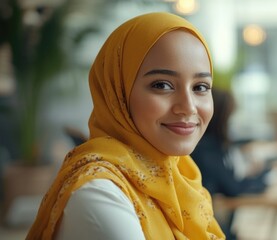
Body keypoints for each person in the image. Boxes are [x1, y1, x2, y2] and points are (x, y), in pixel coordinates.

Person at [26, 12, 225, 240]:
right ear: (117, 93)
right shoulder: (99, 194)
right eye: (162, 85)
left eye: (200, 87)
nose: (188, 107)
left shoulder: (183, 177)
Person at [191, 88, 269, 239]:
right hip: (205, 227)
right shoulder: (207, 149)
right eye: (230, 117)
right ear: (222, 117)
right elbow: (232, 188)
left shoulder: (208, 145)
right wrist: (264, 176)